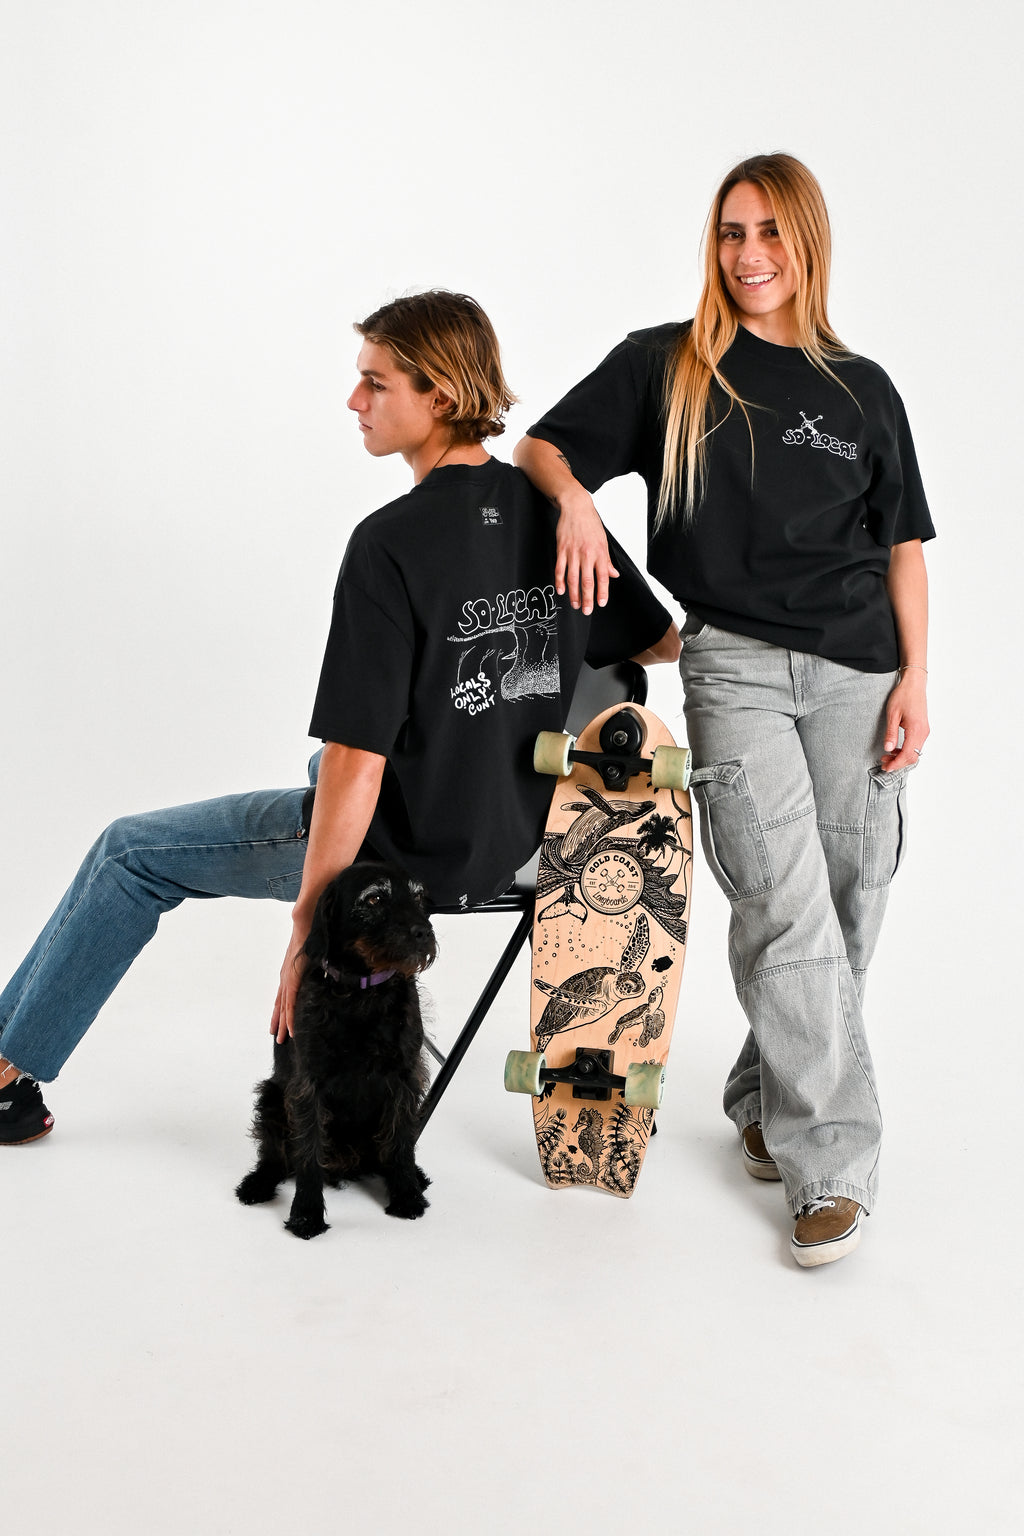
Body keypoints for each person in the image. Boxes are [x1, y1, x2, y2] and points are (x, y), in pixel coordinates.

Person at [0, 290, 678, 1145]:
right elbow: (655, 648)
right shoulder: (560, 516)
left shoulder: (390, 542)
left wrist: (307, 928)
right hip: (517, 844)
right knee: (319, 777)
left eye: (376, 383)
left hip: (402, 851)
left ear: (440, 396)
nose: (354, 401)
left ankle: (3, 1071)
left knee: (130, 853)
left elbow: (360, 760)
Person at [515, 155, 933, 1267]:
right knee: (782, 910)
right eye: (730, 233)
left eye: (768, 234)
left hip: (859, 673)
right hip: (735, 669)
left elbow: (900, 547)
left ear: (806, 243)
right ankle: (829, 1166)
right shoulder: (670, 364)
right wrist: (568, 507)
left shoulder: (863, 388)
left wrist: (917, 679)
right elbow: (544, 446)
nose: (748, 255)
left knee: (849, 910)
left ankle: (757, 1092)